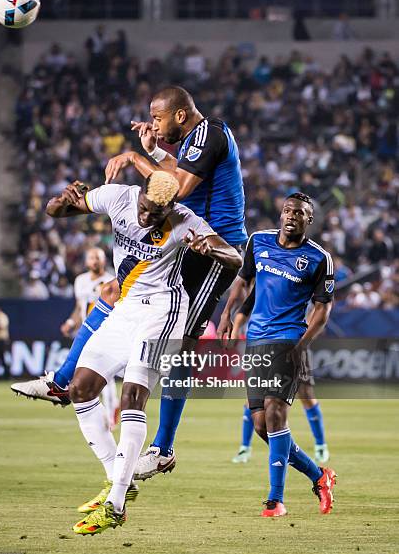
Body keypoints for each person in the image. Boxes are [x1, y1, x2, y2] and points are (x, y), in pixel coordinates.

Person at [10, 86, 247, 482]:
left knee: (181, 345)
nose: (152, 124)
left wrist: (137, 157)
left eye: (157, 118)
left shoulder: (210, 134)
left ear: (181, 116)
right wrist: (155, 152)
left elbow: (176, 190)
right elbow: (172, 181)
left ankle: (163, 448)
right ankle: (61, 380)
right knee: (113, 290)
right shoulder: (193, 141)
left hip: (211, 247)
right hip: (181, 239)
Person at [42, 172, 242, 534]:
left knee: (133, 397)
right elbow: (55, 210)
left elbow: (235, 258)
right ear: (141, 196)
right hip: (127, 308)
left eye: (157, 213)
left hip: (163, 312)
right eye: (146, 209)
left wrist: (208, 248)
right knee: (80, 389)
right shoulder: (117, 196)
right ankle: (118, 480)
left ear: (171, 207)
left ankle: (115, 505)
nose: (148, 218)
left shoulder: (184, 220)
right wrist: (62, 199)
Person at [218, 193, 336, 517]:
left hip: (288, 340)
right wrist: (228, 314)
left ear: (308, 220)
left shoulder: (318, 258)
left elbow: (322, 312)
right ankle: (319, 476)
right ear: (280, 213)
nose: (291, 216)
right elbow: (242, 282)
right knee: (260, 425)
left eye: (299, 213)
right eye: (287, 210)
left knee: (275, 414)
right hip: (256, 340)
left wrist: (301, 348)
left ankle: (275, 498)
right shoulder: (258, 242)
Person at [12, 248, 120, 427]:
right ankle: (111, 407)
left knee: (103, 374)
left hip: (106, 331)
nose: (95, 261)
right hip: (88, 330)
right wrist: (71, 322)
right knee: (97, 372)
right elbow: (80, 307)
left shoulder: (110, 281)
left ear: (103, 260)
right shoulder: (80, 281)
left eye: (98, 258)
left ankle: (109, 415)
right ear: (86, 261)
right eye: (91, 257)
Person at [230, 290, 330, 465]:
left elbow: (322, 304)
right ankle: (244, 448)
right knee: (252, 400)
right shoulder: (265, 280)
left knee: (305, 395)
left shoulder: (301, 272)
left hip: (293, 342)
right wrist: (236, 328)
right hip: (262, 343)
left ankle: (320, 446)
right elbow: (246, 306)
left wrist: (306, 331)